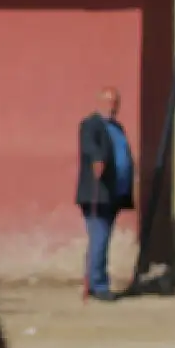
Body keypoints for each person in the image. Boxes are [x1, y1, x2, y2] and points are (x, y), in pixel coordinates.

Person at [74, 86, 133, 302]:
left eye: (115, 102)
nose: (112, 106)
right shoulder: (90, 124)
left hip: (113, 194)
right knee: (99, 237)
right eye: (108, 101)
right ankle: (98, 285)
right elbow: (89, 145)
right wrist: (98, 159)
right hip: (96, 192)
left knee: (102, 238)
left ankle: (93, 278)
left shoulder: (117, 127)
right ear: (99, 102)